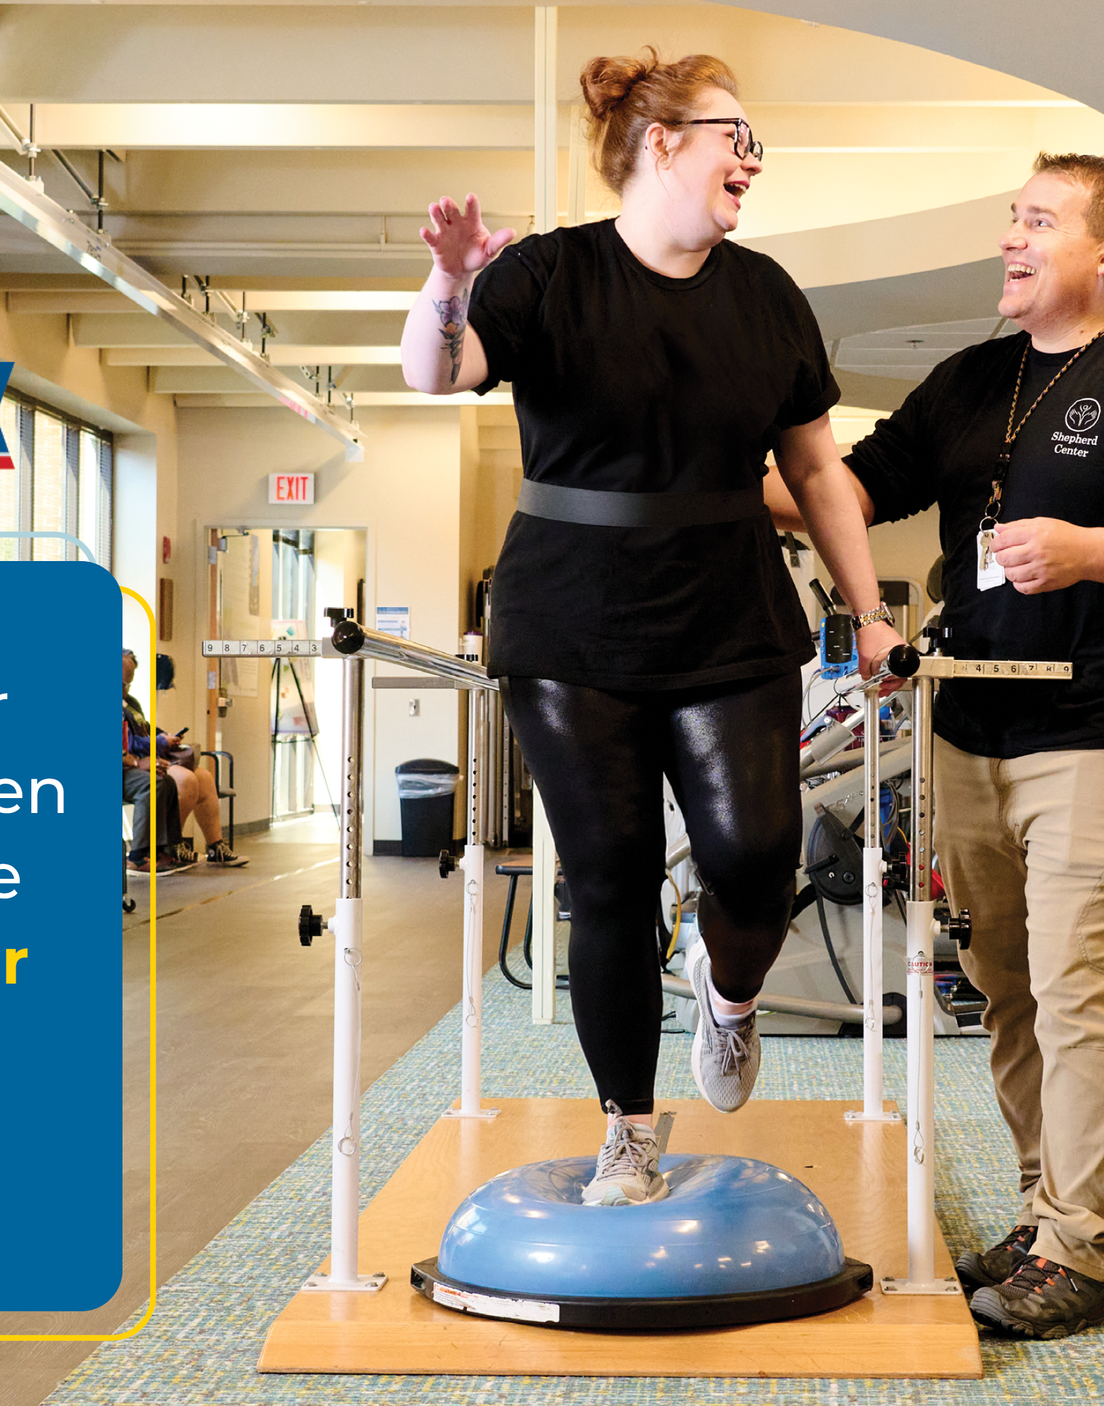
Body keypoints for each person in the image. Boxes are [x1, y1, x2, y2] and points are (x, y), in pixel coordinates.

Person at [400, 50, 901, 1208]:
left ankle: (727, 1005)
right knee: (612, 878)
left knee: (754, 856)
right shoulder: (547, 273)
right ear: (662, 140)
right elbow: (438, 371)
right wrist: (447, 284)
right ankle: (628, 1126)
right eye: (736, 136)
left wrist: (870, 612)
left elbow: (818, 467)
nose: (750, 162)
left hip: (728, 611)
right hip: (570, 624)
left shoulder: (766, 293)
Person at [826, 153, 1104, 1339]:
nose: (1008, 240)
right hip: (972, 722)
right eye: (1008, 221)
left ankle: (1084, 1247)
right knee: (1010, 985)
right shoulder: (974, 379)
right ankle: (1043, 1210)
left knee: (1080, 987)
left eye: (1035, 221)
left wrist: (1088, 549)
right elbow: (852, 488)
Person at [123, 649, 246, 871]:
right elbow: (129, 744)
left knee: (205, 777)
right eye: (124, 683)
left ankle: (215, 846)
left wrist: (165, 737)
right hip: (138, 760)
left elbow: (145, 730)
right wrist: (159, 743)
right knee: (185, 780)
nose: (126, 689)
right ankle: (168, 846)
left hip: (149, 757)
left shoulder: (130, 702)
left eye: (129, 684)